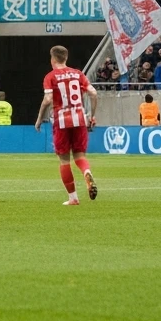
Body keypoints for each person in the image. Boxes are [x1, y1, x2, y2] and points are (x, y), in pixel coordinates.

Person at [34, 45, 98, 206]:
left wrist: (39, 118)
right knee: (80, 156)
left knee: (64, 160)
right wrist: (92, 115)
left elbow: (48, 100)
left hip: (61, 120)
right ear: (66, 58)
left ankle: (73, 198)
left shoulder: (50, 76)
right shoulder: (78, 74)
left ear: (53, 59)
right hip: (79, 118)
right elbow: (93, 93)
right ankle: (87, 172)